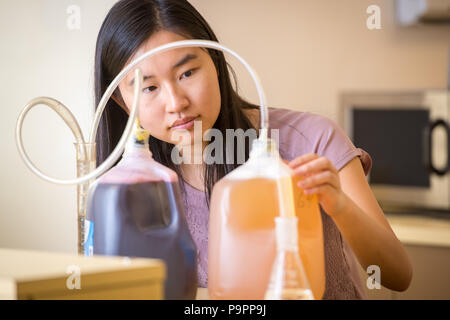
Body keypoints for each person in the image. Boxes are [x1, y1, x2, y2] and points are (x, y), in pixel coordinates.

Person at [94, 0, 412, 299]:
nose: (176, 103)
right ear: (123, 102)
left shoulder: (311, 140)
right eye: (150, 88)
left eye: (187, 73)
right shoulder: (134, 188)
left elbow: (397, 275)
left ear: (215, 61)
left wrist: (339, 205)